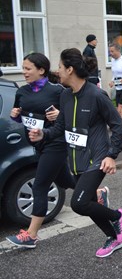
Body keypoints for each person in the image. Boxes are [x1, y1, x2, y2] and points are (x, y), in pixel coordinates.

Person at [28, 48, 122, 258]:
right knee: (90, 204)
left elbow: (117, 125)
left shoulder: (96, 95)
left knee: (79, 203)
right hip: (76, 160)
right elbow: (60, 128)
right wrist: (43, 135)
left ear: (70, 69)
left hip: (97, 158)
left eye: (59, 67)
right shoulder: (65, 96)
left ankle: (119, 215)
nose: (57, 71)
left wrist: (112, 154)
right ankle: (114, 237)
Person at [5, 53, 77, 248]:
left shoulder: (58, 91)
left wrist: (61, 114)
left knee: (40, 185)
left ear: (41, 70)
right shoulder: (22, 92)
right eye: (23, 68)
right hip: (37, 143)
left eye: (28, 68)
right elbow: (22, 117)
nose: (24, 72)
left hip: (56, 142)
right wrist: (15, 116)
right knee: (64, 180)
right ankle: (96, 193)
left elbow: (74, 115)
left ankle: (31, 235)